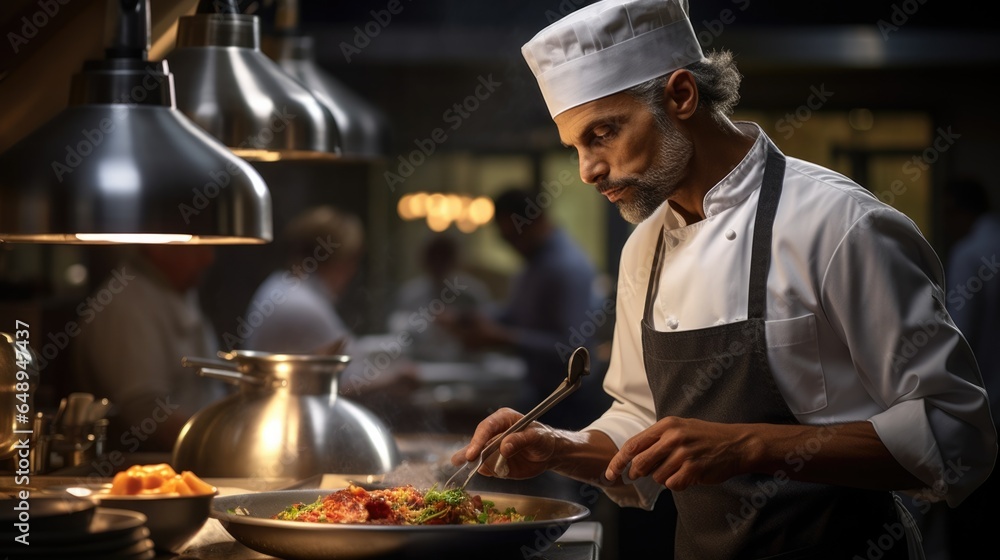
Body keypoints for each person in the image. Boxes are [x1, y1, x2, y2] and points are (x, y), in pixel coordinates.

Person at [453, 1, 997, 558]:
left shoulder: (842, 226)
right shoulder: (645, 246)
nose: (588, 168)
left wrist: (751, 443)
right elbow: (640, 420)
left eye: (603, 133)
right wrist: (557, 447)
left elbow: (956, 434)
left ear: (681, 96)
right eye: (576, 147)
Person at [447, 187, 610, 431]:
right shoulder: (535, 263)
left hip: (570, 403)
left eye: (516, 235)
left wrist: (501, 337)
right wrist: (467, 319)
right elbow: (516, 315)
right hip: (543, 394)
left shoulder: (566, 267)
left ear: (538, 221)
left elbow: (575, 349)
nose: (513, 245)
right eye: (506, 239)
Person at [73, 244, 229, 452]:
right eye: (195, 247)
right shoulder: (125, 305)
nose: (208, 257)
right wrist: (220, 444)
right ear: (158, 247)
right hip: (158, 461)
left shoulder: (176, 287)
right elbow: (144, 411)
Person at [938, 178, 1000, 558]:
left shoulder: (969, 254)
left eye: (947, 213)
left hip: (985, 411)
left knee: (972, 523)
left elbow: (956, 343)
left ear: (960, 211)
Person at [389, 233, 493, 362]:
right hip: (422, 364)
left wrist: (458, 322)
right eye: (434, 257)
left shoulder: (472, 293)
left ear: (455, 259)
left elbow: (486, 333)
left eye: (444, 257)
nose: (438, 263)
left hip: (465, 365)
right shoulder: (410, 294)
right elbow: (399, 333)